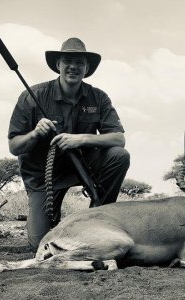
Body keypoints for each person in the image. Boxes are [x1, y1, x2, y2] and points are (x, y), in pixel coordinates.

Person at [8, 37, 130, 251]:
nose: (73, 67)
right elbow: (14, 146)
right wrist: (36, 134)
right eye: (67, 61)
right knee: (42, 245)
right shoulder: (32, 96)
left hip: (81, 166)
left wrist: (80, 139)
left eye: (79, 63)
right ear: (58, 65)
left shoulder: (98, 97)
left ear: (87, 67)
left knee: (119, 155)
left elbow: (119, 138)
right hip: (42, 176)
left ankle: (98, 217)